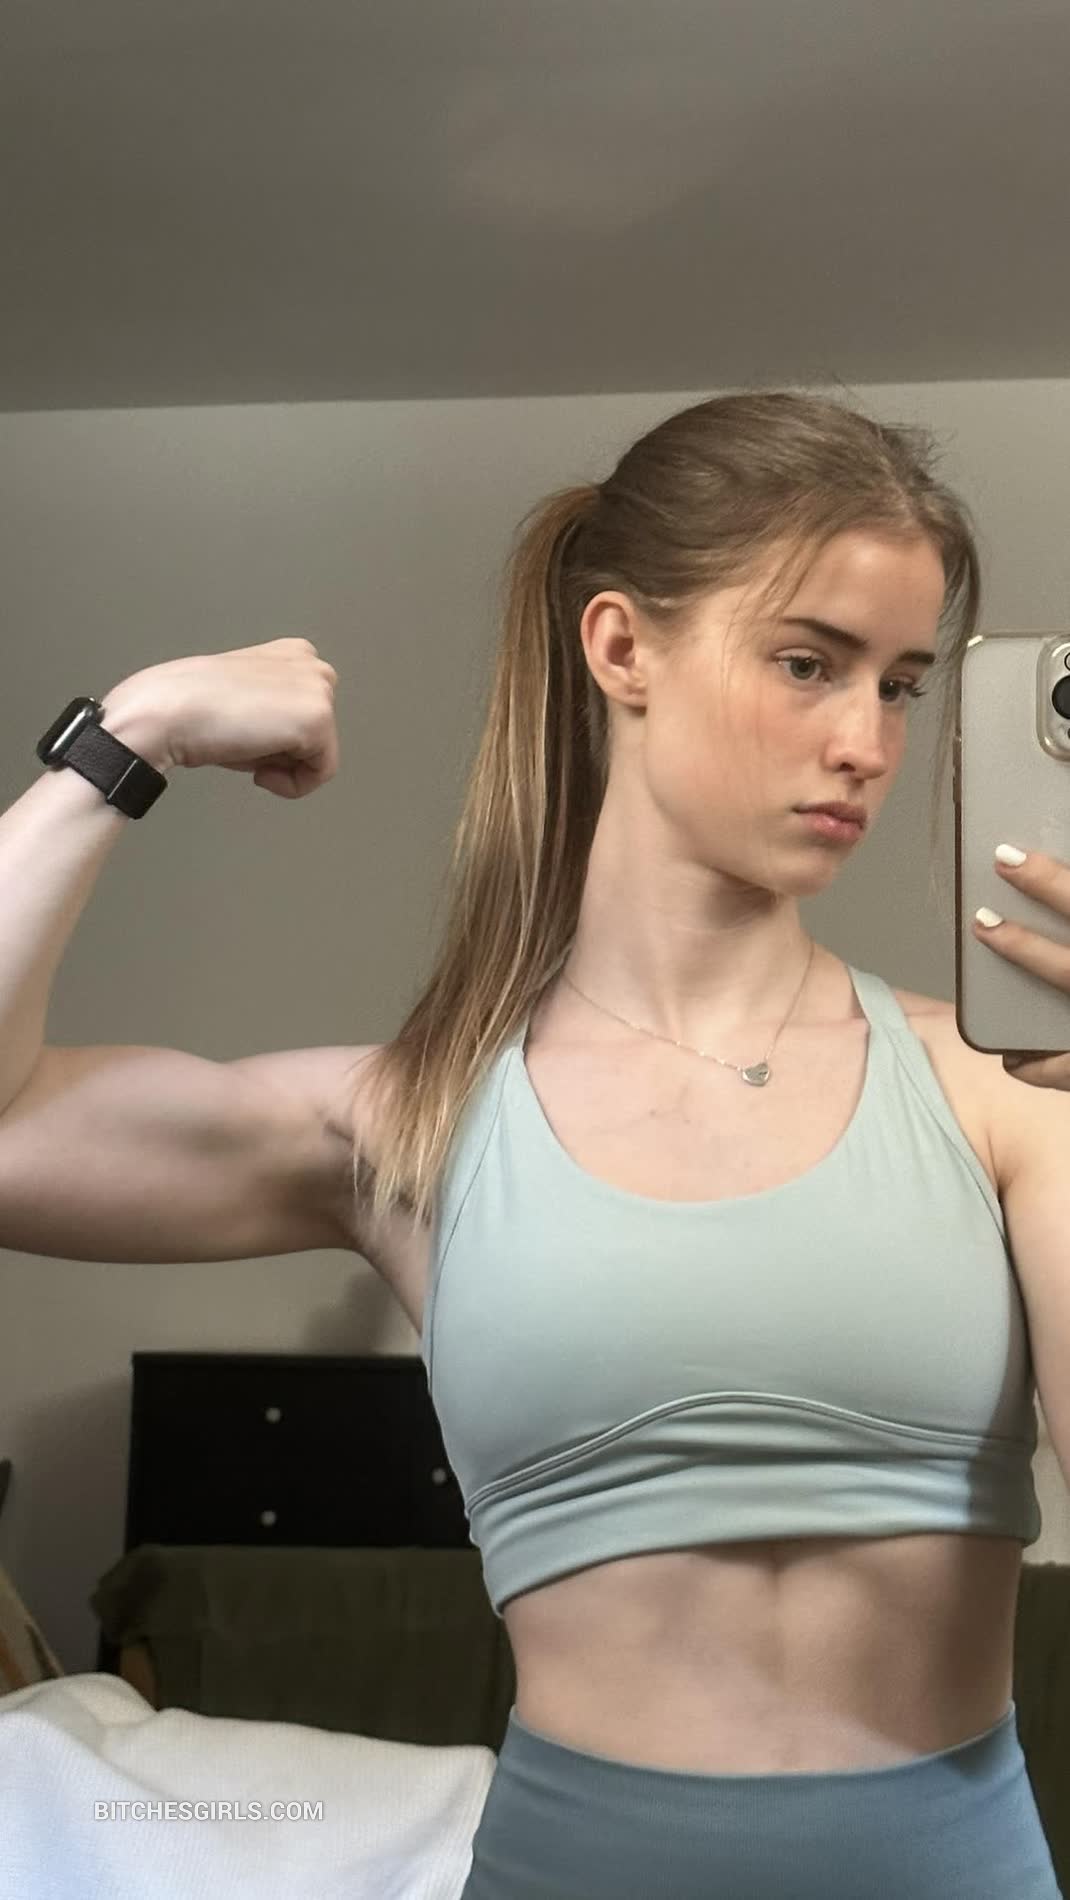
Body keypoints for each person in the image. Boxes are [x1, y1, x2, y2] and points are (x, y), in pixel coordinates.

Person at [0, 388, 1062, 1899]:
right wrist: (132, 733)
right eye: (807, 662)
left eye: (899, 684)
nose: (866, 742)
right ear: (621, 648)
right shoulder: (411, 1121)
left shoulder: (1004, 1087)